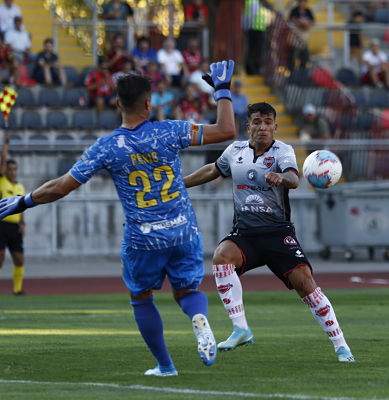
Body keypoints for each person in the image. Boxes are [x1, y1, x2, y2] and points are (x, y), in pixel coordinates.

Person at [0, 60, 238, 375]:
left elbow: (61, 187)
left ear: (117, 104)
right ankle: (199, 319)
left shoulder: (107, 146)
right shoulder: (171, 130)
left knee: (141, 298)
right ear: (148, 103)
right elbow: (227, 130)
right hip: (183, 230)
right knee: (187, 292)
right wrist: (222, 90)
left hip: (143, 237)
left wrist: (24, 201)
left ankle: (165, 366)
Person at [183, 102, 355, 363]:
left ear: (275, 127)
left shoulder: (282, 151)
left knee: (306, 285)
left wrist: (281, 178)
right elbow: (212, 170)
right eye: (257, 122)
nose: (262, 127)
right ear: (248, 126)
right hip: (246, 234)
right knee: (221, 256)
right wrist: (179, 184)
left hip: (277, 233)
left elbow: (294, 179)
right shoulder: (235, 151)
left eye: (267, 122)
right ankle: (241, 329)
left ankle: (341, 347)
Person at [0, 132, 26, 295]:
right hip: (1, 225)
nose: (12, 172)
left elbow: (22, 207)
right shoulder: (1, 181)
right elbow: (3, 159)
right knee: (0, 258)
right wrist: (5, 143)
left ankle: (17, 289)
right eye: (10, 169)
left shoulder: (20, 187)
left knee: (19, 259)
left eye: (15, 169)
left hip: (15, 227)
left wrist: (22, 223)